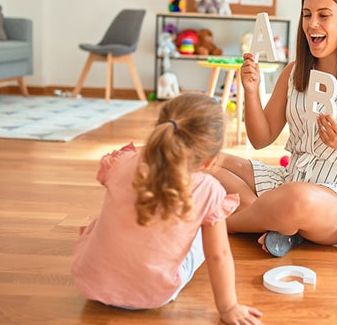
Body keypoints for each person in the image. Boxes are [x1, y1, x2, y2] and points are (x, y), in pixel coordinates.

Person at [210, 0, 337, 257]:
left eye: (324, 15)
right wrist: (251, 91)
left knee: (297, 198)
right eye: (307, 15)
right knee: (209, 160)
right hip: (290, 179)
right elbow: (261, 138)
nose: (313, 24)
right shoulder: (293, 72)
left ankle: (223, 224)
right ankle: (279, 225)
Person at [71, 93, 263, 325]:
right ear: (209, 161)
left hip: (92, 282)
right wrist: (229, 307)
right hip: (152, 295)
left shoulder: (123, 161)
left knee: (106, 218)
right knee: (204, 236)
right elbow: (218, 255)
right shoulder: (208, 188)